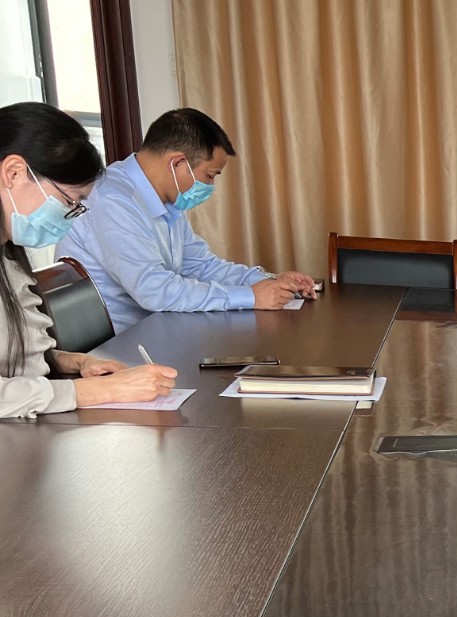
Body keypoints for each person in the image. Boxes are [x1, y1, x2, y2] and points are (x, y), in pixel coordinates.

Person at [57, 108, 317, 332]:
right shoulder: (114, 200)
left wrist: (267, 281)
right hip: (117, 346)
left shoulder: (165, 201)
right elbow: (155, 290)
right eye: (210, 175)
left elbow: (201, 266)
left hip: (158, 330)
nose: (210, 186)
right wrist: (250, 297)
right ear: (178, 163)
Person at [0, 102, 177, 419]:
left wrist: (75, 361)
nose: (70, 216)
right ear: (13, 173)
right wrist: (100, 390)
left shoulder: (8, 255)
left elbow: (13, 358)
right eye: (68, 201)